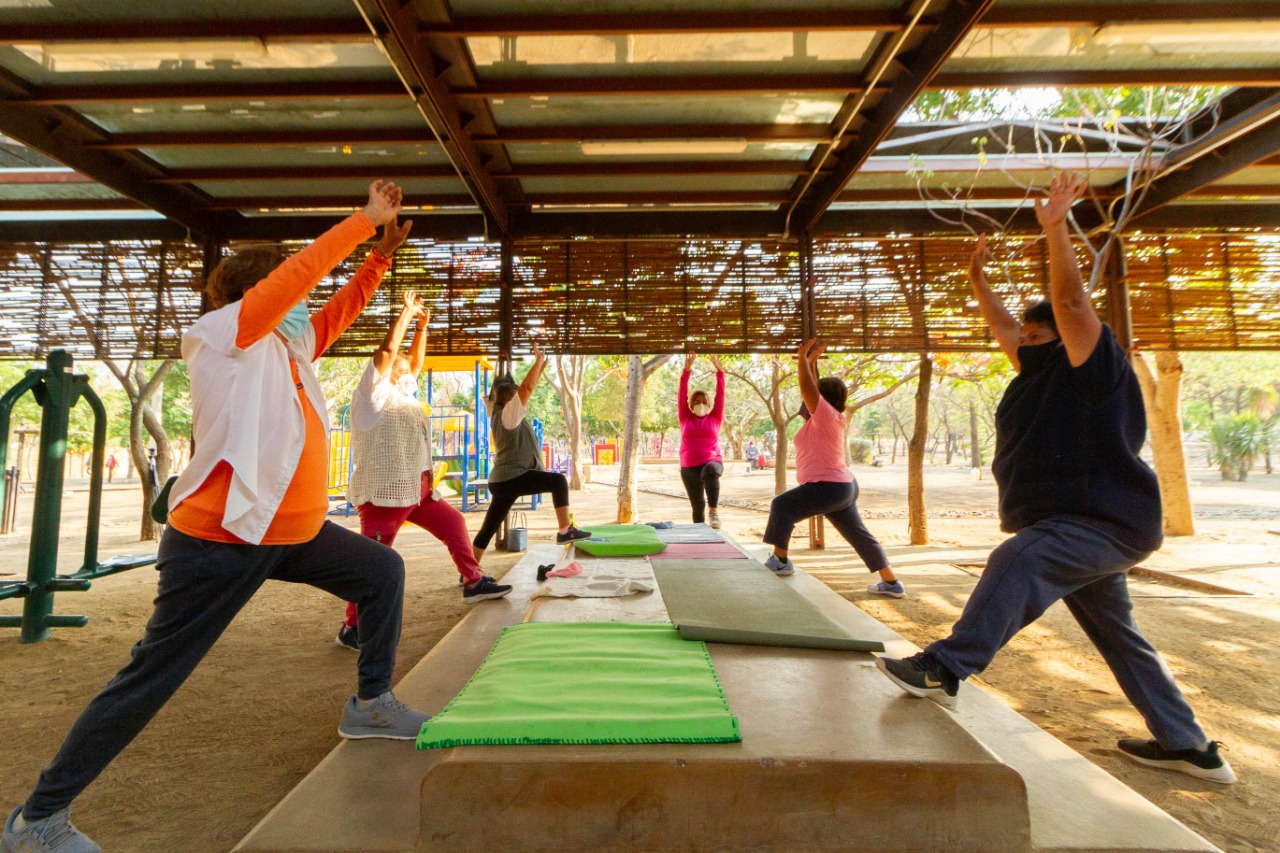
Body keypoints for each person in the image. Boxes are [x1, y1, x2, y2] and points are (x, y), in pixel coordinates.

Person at [2, 182, 433, 853]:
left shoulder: (285, 345)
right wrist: (360, 222)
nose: (306, 300)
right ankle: (38, 820)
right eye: (291, 287)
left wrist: (378, 258)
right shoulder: (221, 335)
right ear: (260, 291)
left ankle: (371, 703)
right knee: (149, 679)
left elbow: (337, 312)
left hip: (288, 534)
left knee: (381, 571)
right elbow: (296, 282)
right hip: (220, 542)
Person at [875, 173, 1236, 785]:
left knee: (1019, 559)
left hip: (1102, 521)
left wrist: (1054, 228)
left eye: (1036, 335)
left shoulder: (1095, 368)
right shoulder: (1037, 370)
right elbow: (1004, 328)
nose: (1022, 343)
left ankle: (946, 667)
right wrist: (976, 281)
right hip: (1081, 522)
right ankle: (1189, 745)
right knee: (1119, 636)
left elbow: (1070, 305)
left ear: (1063, 337)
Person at [334, 292, 511, 650]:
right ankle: (349, 628)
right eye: (400, 368)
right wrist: (405, 313)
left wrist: (423, 327)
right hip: (385, 496)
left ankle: (472, 581)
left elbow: (413, 363)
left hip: (418, 493)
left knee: (455, 524)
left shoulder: (405, 395)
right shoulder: (371, 395)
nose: (408, 371)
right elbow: (387, 354)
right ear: (384, 372)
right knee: (373, 563)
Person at [761, 339, 904, 598]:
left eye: (815, 395)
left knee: (781, 506)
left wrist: (803, 358)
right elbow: (812, 390)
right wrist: (812, 363)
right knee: (859, 535)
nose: (806, 400)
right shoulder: (825, 420)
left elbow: (808, 390)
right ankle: (892, 583)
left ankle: (781, 561)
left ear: (822, 400)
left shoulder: (826, 417)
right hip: (842, 488)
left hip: (829, 488)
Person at [471, 339, 590, 563]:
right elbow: (525, 388)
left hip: (503, 480)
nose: (524, 401)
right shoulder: (509, 415)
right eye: (518, 399)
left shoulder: (500, 412)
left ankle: (468, 570)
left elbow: (507, 390)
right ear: (510, 401)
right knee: (558, 481)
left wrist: (536, 367)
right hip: (512, 477)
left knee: (489, 527)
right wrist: (537, 363)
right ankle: (566, 530)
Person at [678, 352, 726, 528]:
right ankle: (701, 535)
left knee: (711, 469)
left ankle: (714, 512)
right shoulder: (685, 417)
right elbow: (681, 392)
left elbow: (721, 395)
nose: (700, 403)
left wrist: (720, 372)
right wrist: (687, 369)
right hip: (689, 466)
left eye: (704, 400)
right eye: (697, 401)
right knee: (697, 506)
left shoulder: (715, 417)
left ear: (708, 403)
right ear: (691, 404)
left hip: (711, 462)